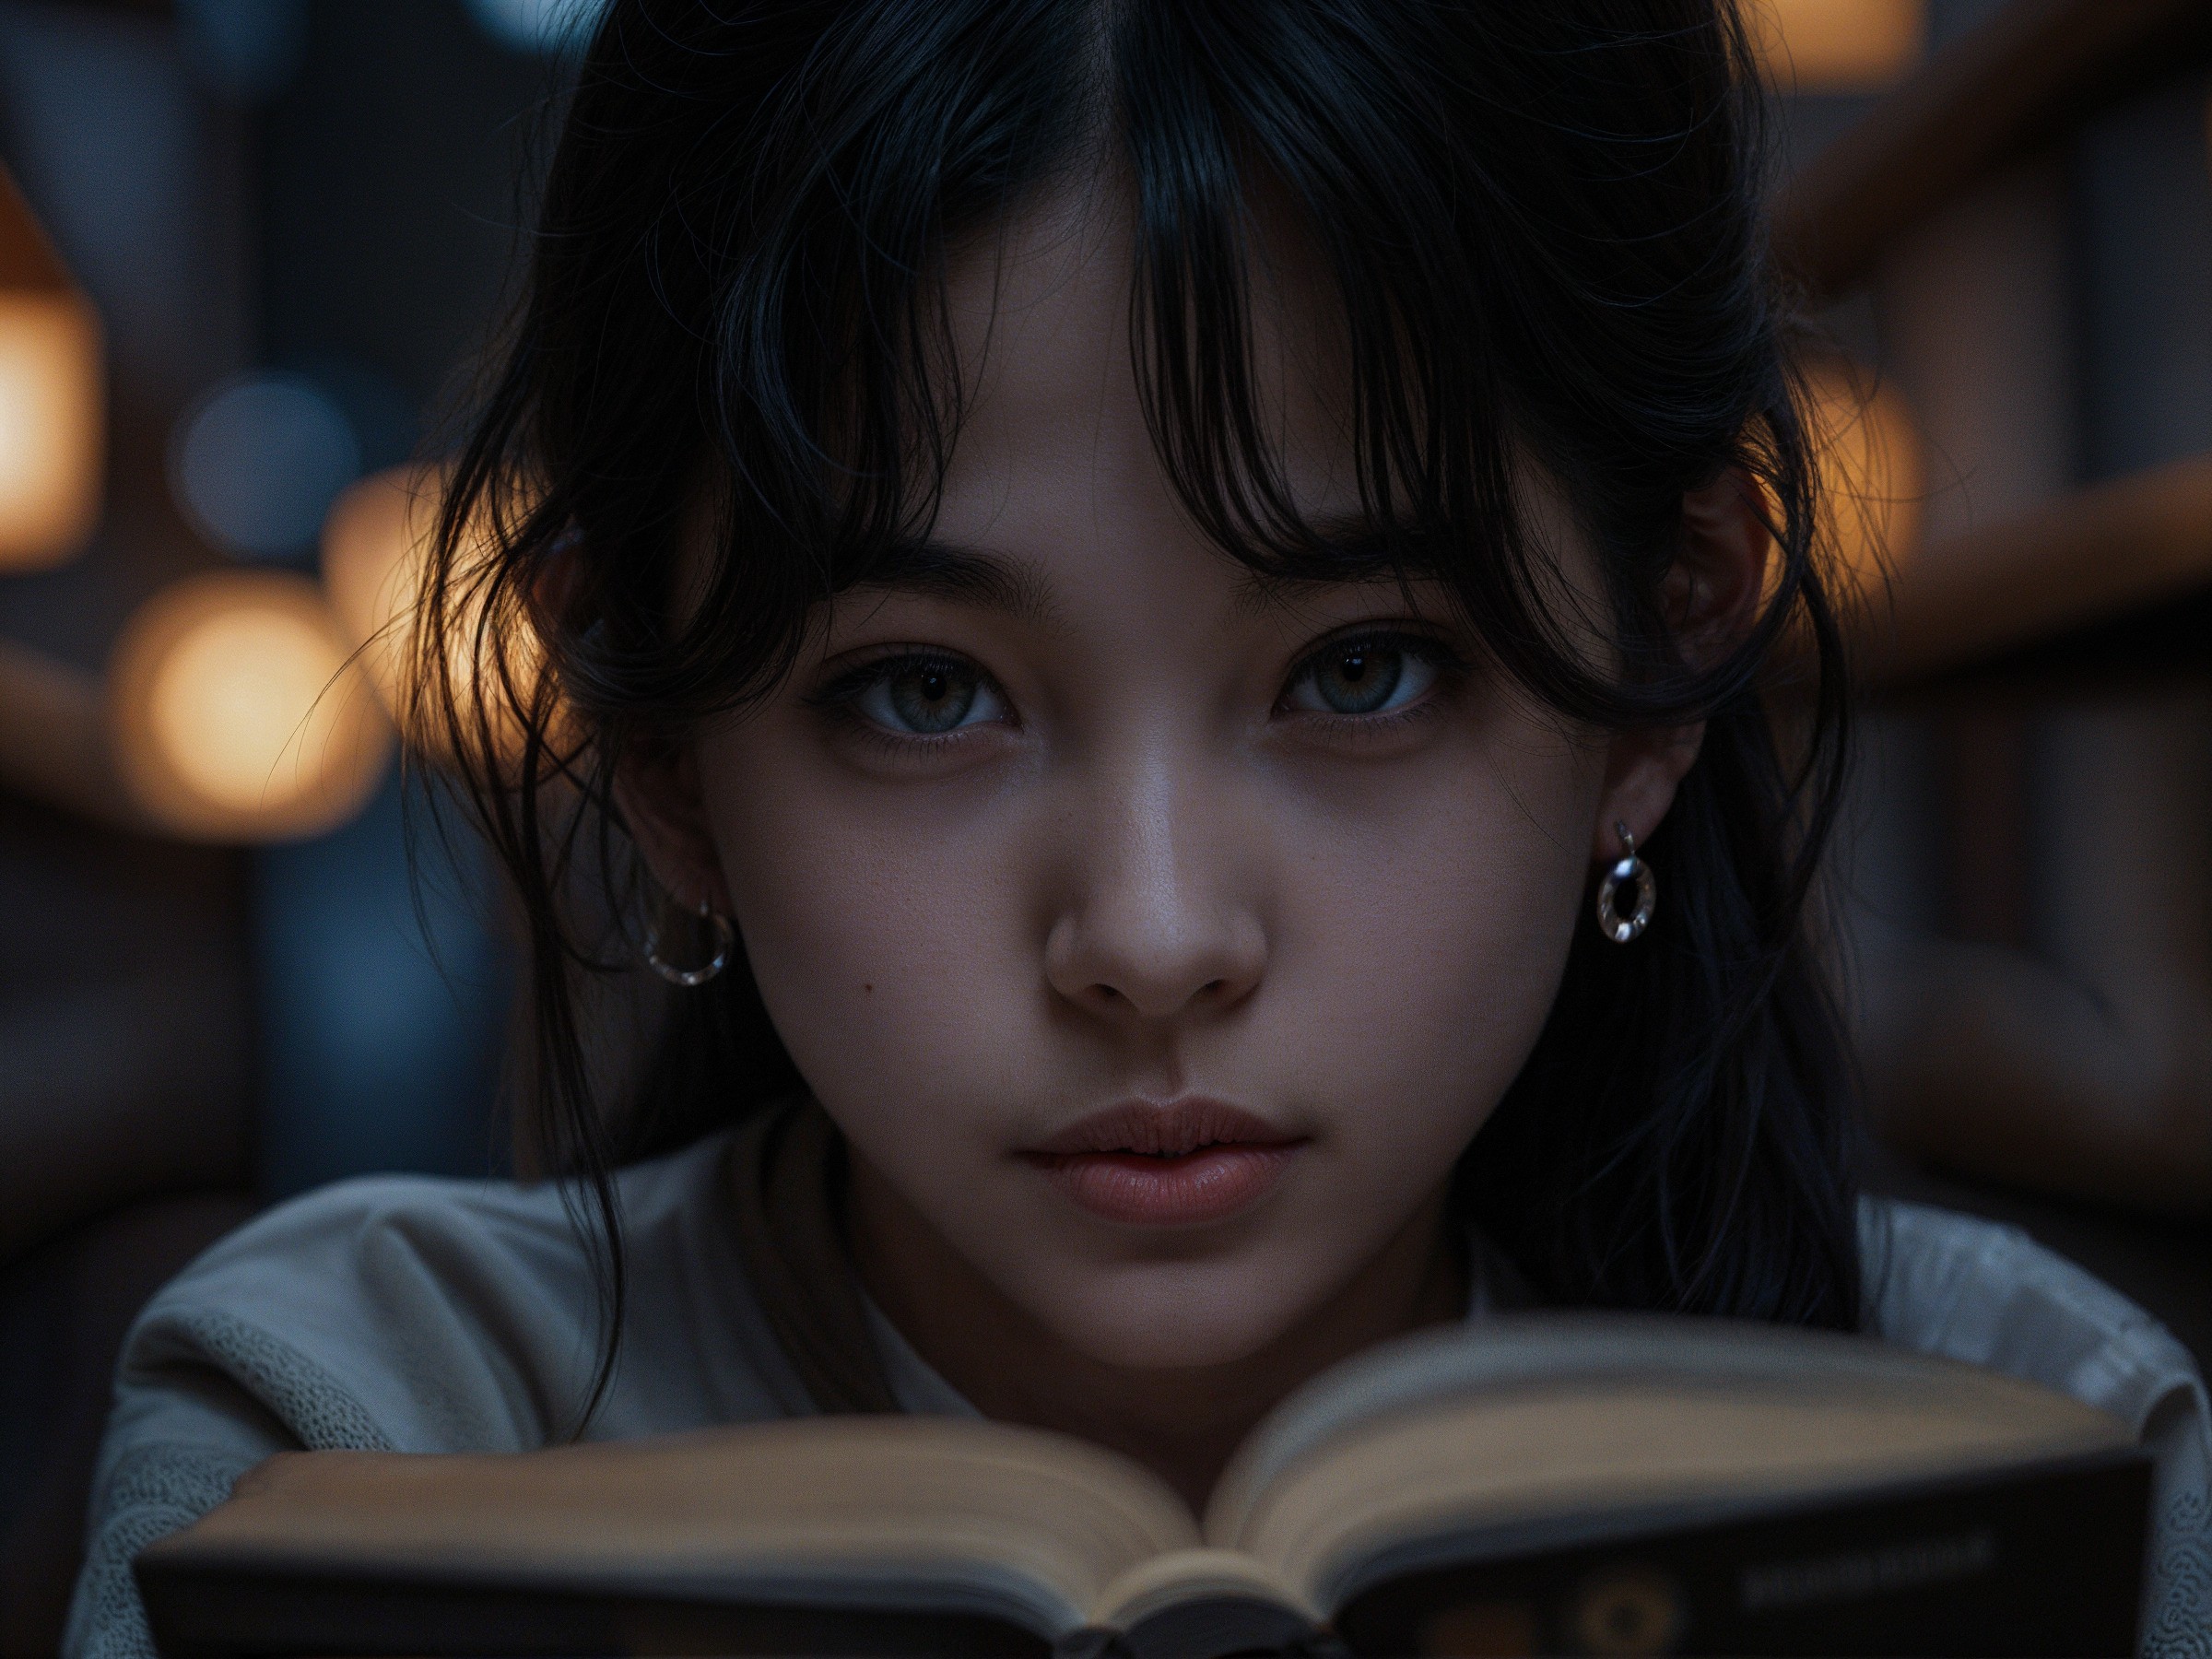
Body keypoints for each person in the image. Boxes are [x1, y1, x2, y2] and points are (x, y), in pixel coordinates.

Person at [65, 3, 2209, 1653]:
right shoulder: (356, 1443)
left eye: (1361, 669)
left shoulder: (2031, 1451)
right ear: (667, 757)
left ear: (1657, 669)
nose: (1155, 935)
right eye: (924, 691)